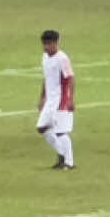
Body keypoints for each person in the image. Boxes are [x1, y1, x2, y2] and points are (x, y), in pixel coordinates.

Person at [36, 28, 75, 170]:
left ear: (56, 43)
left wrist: (71, 99)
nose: (46, 47)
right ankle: (62, 153)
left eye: (48, 44)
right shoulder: (45, 58)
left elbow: (71, 78)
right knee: (42, 128)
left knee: (60, 131)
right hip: (50, 100)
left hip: (61, 99)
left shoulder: (62, 58)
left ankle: (69, 162)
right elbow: (46, 78)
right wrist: (42, 98)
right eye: (44, 44)